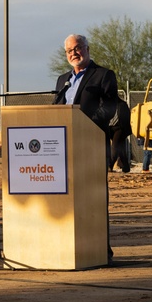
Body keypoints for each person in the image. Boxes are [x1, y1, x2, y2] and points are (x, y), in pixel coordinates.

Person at [53, 33, 119, 263]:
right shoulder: (62, 80)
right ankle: (69, 249)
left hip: (92, 146)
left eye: (78, 48)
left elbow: (110, 108)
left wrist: (83, 124)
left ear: (88, 49)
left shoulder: (103, 75)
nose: (74, 53)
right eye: (69, 50)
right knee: (66, 201)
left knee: (94, 200)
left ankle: (100, 251)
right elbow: (56, 109)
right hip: (63, 149)